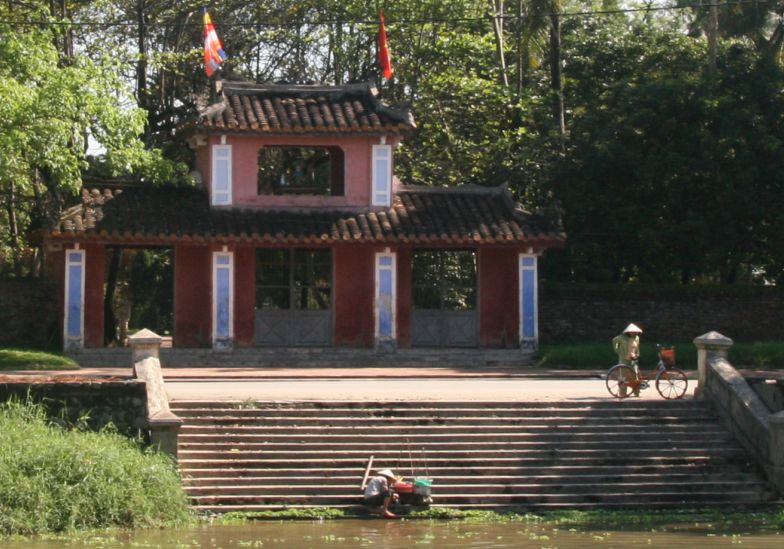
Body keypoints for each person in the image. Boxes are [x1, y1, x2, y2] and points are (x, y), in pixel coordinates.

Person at [612, 323, 643, 396]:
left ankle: (636, 392)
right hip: (624, 359)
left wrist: (637, 354)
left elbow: (637, 347)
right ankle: (623, 393)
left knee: (635, 375)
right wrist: (617, 350)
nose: (633, 333)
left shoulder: (636, 338)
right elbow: (614, 341)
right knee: (623, 376)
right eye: (631, 331)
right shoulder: (621, 337)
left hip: (633, 358)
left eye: (634, 331)